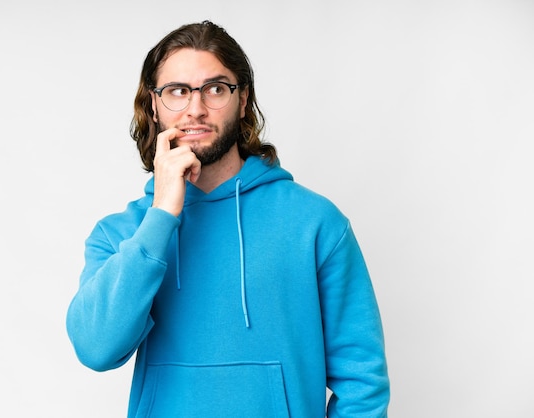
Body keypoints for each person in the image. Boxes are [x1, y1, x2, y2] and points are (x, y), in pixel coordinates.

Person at [66, 20, 390, 417]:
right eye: (177, 92)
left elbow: (363, 382)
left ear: (243, 99)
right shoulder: (121, 234)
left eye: (215, 89)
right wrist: (162, 215)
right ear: (154, 104)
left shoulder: (315, 223)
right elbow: (96, 349)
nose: (196, 109)